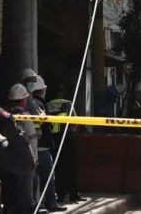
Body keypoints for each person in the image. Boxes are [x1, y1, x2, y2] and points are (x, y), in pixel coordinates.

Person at [26, 76, 64, 212]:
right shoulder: (36, 103)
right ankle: (51, 203)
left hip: (34, 147)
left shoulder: (31, 102)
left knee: (37, 179)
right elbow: (40, 122)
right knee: (48, 177)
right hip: (41, 147)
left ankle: (41, 204)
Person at [44, 86, 83, 205]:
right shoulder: (67, 103)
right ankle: (73, 195)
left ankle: (60, 195)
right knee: (70, 165)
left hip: (53, 138)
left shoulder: (47, 105)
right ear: (61, 92)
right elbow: (75, 121)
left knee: (58, 167)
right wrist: (71, 131)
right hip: (66, 136)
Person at [6, 83, 39, 213]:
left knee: (25, 189)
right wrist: (33, 160)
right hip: (26, 162)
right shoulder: (22, 117)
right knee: (26, 194)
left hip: (17, 162)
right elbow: (26, 142)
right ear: (23, 101)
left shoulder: (8, 117)